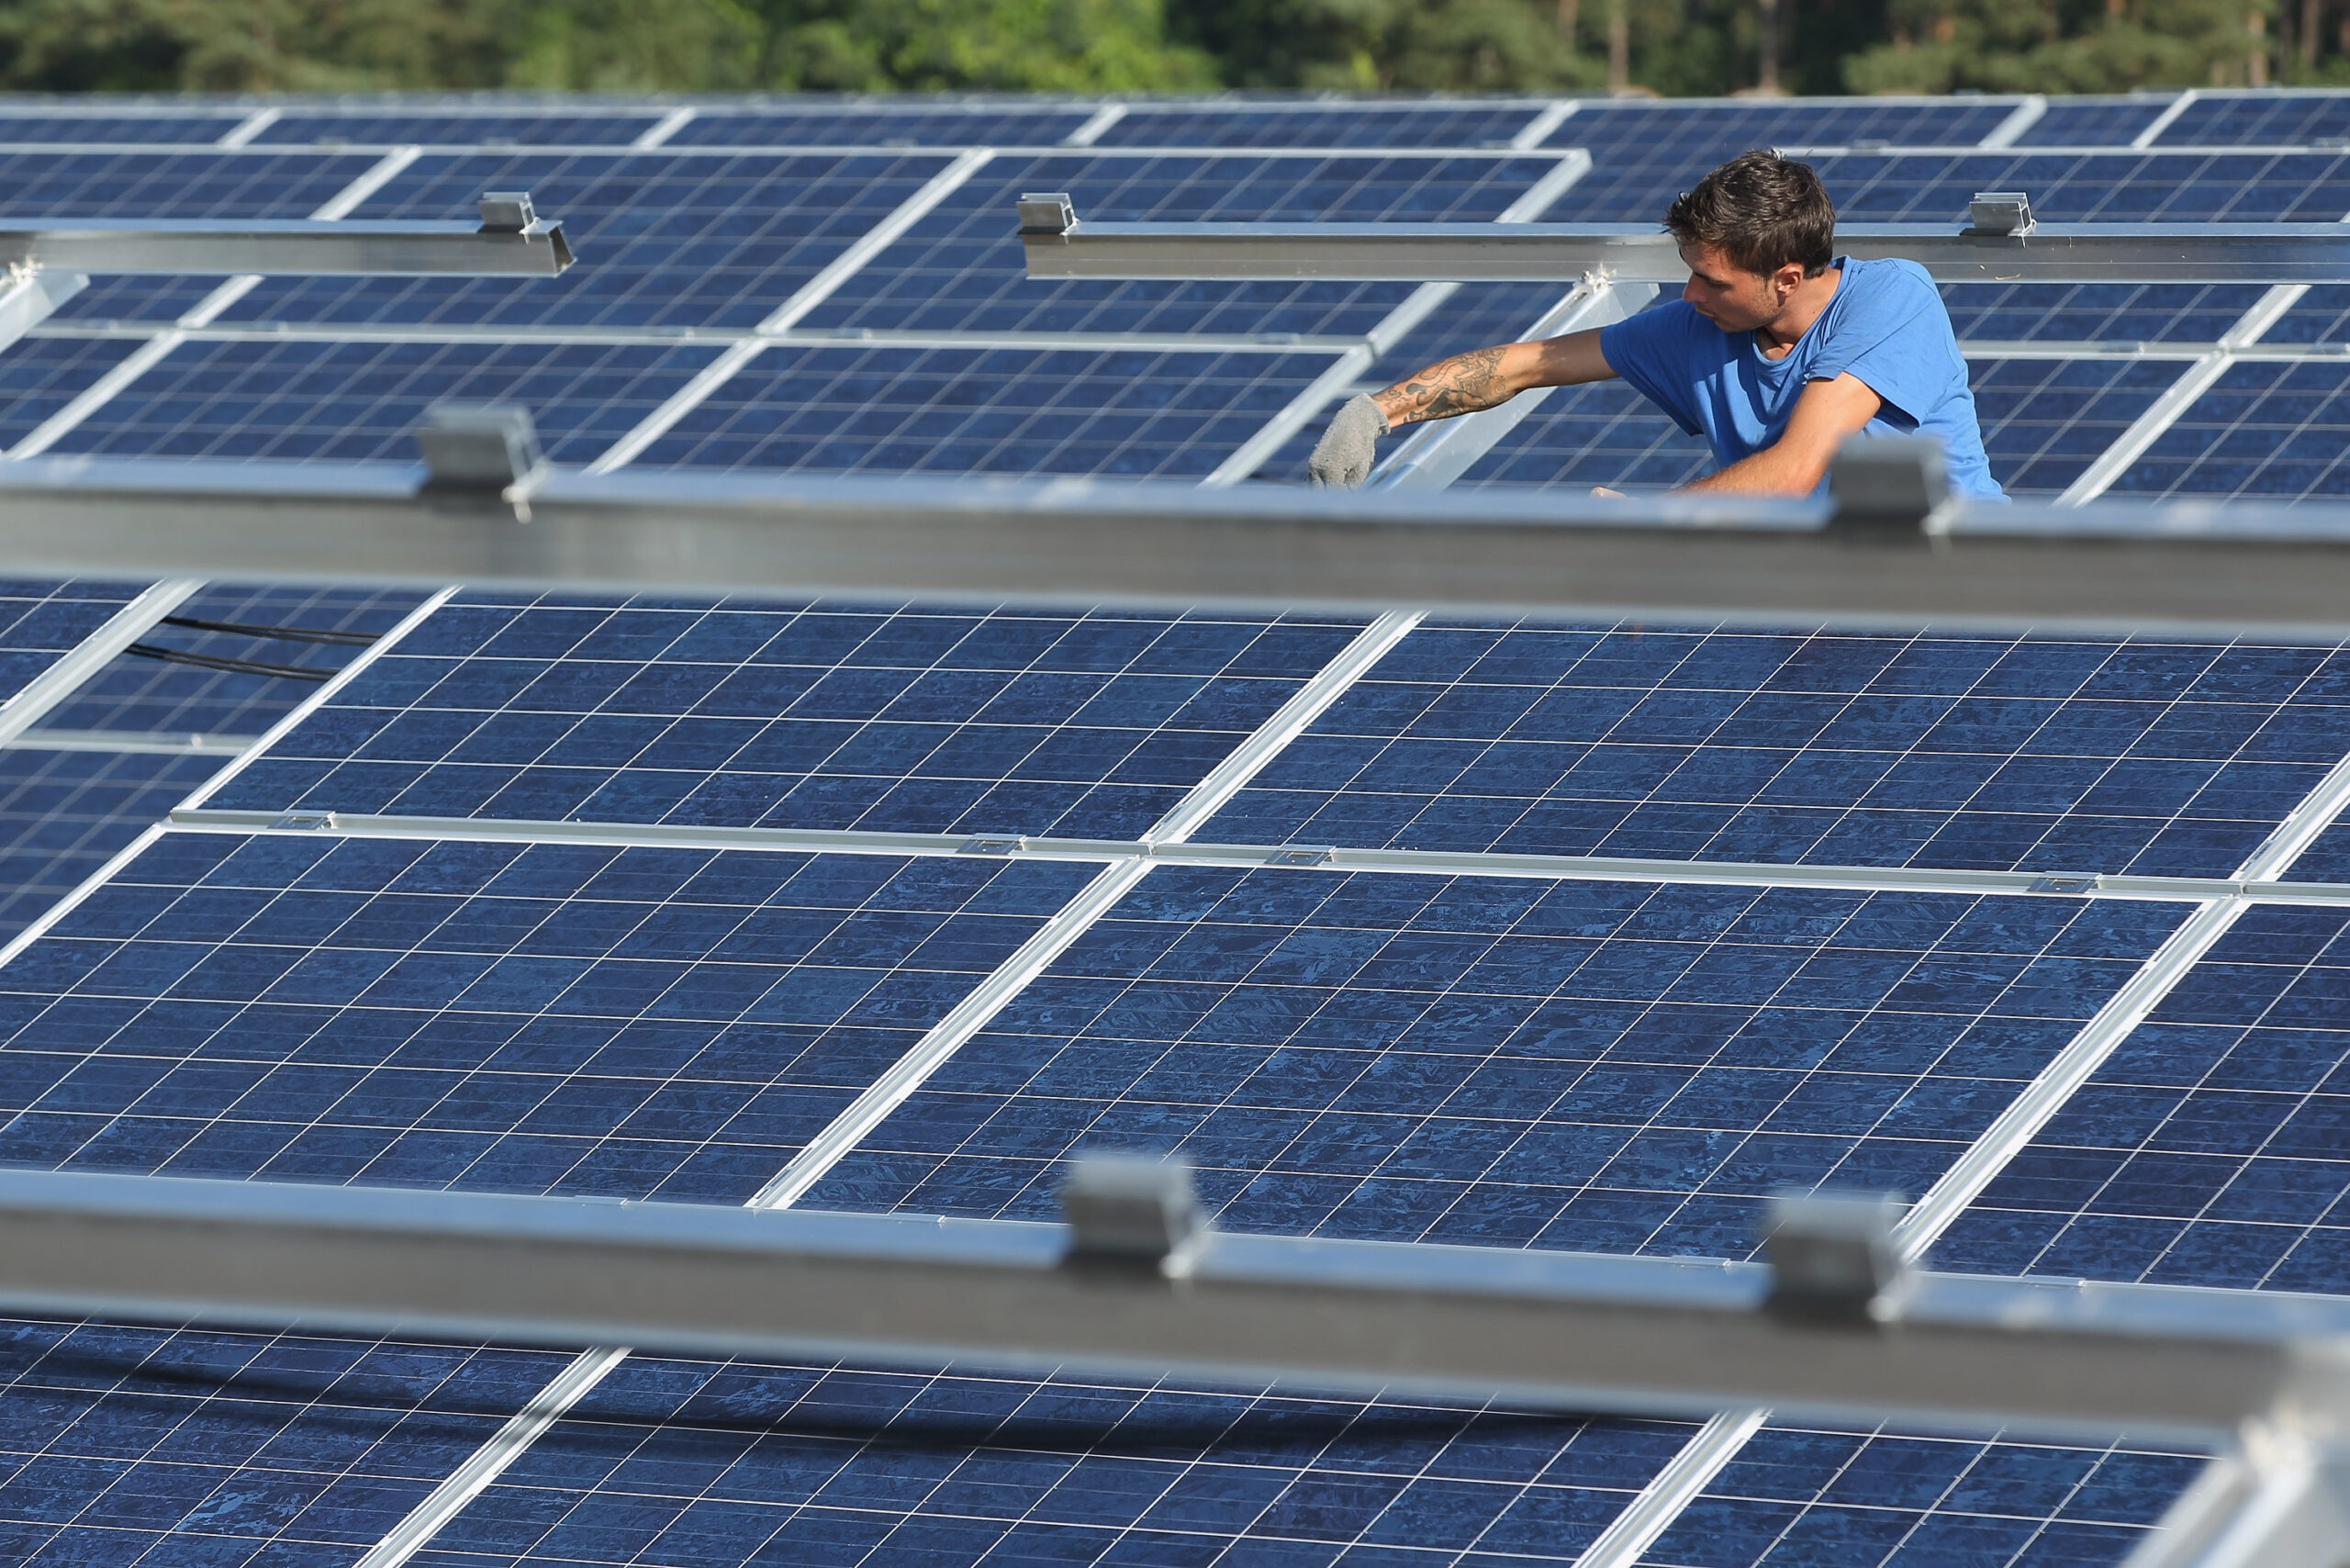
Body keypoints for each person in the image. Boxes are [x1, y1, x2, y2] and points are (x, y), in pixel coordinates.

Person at [1306, 150, 2005, 500]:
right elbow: (1526, 365)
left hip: (1967, 591)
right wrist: (1377, 413)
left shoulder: (1891, 297)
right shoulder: (1698, 328)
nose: (1689, 293)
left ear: (1787, 278)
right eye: (1688, 271)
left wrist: (1653, 522)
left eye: (1713, 280)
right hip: (1827, 619)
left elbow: (1797, 468)